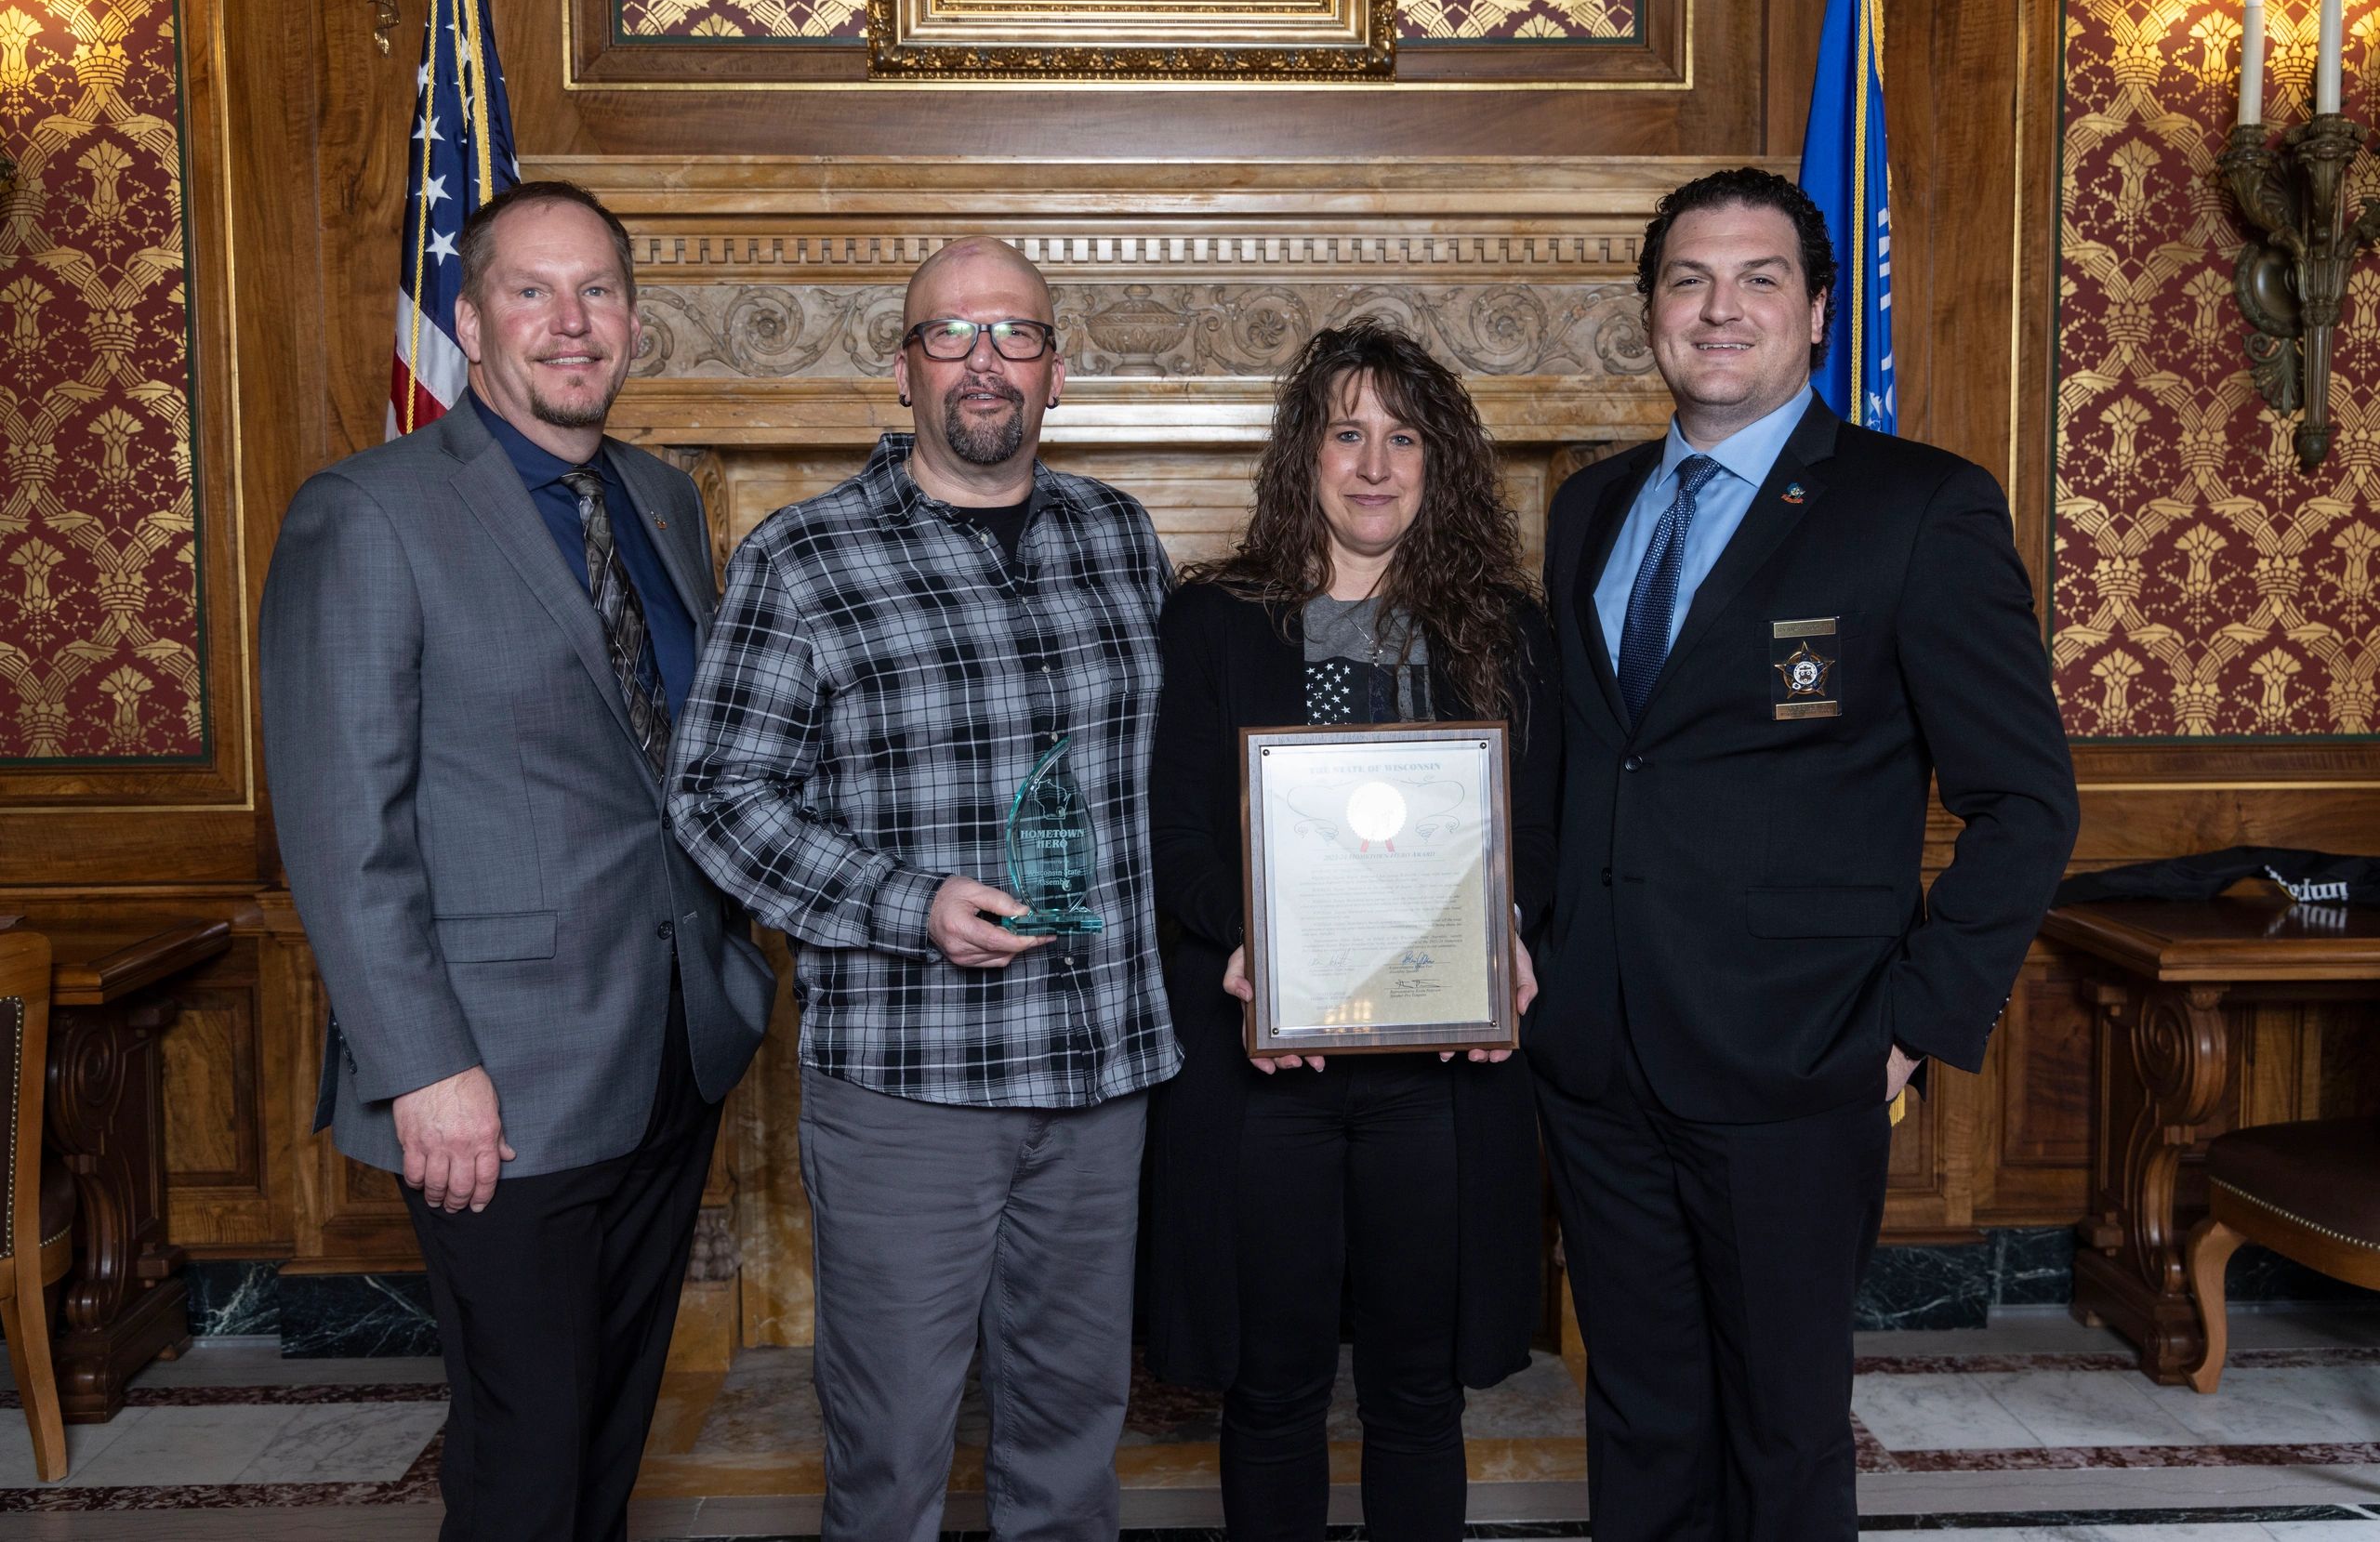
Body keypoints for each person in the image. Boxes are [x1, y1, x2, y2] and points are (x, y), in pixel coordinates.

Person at [1532, 165, 2080, 1541]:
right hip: (1596, 1058)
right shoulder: (1589, 509)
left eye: (1758, 279)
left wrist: (1911, 1025)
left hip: (1796, 1056)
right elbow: (1587, 767)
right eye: (1687, 281)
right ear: (1649, 311)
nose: (1720, 311)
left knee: (1783, 1430)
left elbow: (2028, 801)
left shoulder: (1917, 508)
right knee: (1639, 1416)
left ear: (1820, 313)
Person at [258, 179, 778, 1542]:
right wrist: (421, 1065)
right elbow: (338, 823)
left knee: (608, 1433)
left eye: (597, 290)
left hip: (672, 1046)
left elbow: (678, 764)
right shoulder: (367, 515)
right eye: (532, 292)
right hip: (496, 1078)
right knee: (526, 1448)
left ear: (633, 321)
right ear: (471, 318)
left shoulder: (661, 498)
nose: (570, 322)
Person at [667, 237, 1175, 1542]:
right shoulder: (803, 558)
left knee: (1073, 1438)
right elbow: (720, 799)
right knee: (891, 1449)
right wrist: (911, 905)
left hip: (1100, 1069)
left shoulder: (1120, 538)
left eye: (1015, 334)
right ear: (904, 371)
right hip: (913, 1082)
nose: (984, 361)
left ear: (1058, 372)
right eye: (950, 335)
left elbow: (1177, 782)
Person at [1144, 320, 1557, 1541]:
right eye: (1345, 434)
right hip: (1269, 1068)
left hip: (1439, 1080)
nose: (1374, 465)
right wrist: (1247, 942)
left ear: (1440, 463)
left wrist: (1510, 935)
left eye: (1404, 436)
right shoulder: (1215, 621)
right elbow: (1175, 835)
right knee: (1270, 1393)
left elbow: (1538, 830)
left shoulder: (1503, 630)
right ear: (1304, 458)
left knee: (1416, 1397)